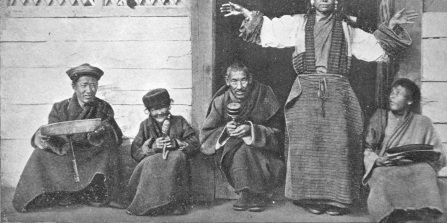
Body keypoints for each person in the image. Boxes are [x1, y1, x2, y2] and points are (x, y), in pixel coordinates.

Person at [220, 0, 418, 215]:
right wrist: (247, 14)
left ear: (336, 1)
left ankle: (338, 200)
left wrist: (392, 27)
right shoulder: (298, 23)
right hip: (305, 93)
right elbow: (270, 29)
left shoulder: (347, 28)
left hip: (338, 94)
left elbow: (374, 48)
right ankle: (310, 198)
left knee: (340, 145)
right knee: (307, 145)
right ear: (312, 0)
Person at [13, 63, 125, 212]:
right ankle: (60, 192)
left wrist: (103, 130)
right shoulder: (59, 108)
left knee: (108, 145)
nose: (89, 90)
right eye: (84, 85)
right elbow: (51, 133)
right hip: (67, 151)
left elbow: (117, 135)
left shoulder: (103, 107)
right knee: (39, 154)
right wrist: (46, 137)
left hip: (92, 153)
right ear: (74, 86)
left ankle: (94, 192)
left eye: (94, 85)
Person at [200, 61, 285, 212]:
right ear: (227, 81)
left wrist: (252, 130)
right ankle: (245, 194)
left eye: (243, 80)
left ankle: (257, 194)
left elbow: (278, 132)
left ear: (250, 78)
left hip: (263, 152)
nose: (239, 86)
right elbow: (207, 136)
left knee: (246, 149)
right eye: (234, 81)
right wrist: (226, 130)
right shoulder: (221, 101)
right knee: (239, 152)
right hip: (230, 150)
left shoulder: (264, 95)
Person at [363, 78, 447, 223]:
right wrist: (377, 159)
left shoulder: (423, 122)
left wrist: (427, 158)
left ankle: (420, 213)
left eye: (398, 93)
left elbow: (440, 156)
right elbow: (367, 149)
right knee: (380, 175)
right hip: (386, 166)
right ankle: (388, 215)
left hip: (414, 167)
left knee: (426, 171)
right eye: (391, 93)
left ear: (409, 100)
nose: (392, 96)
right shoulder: (380, 117)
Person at [126, 88, 199, 216]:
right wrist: (152, 148)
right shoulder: (145, 125)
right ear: (148, 111)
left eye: (162, 107)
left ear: (169, 105)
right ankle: (150, 204)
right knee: (151, 162)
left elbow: (194, 142)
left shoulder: (179, 121)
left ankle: (174, 203)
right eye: (154, 109)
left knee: (177, 157)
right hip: (153, 168)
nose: (159, 112)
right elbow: (135, 151)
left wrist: (176, 143)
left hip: (175, 164)